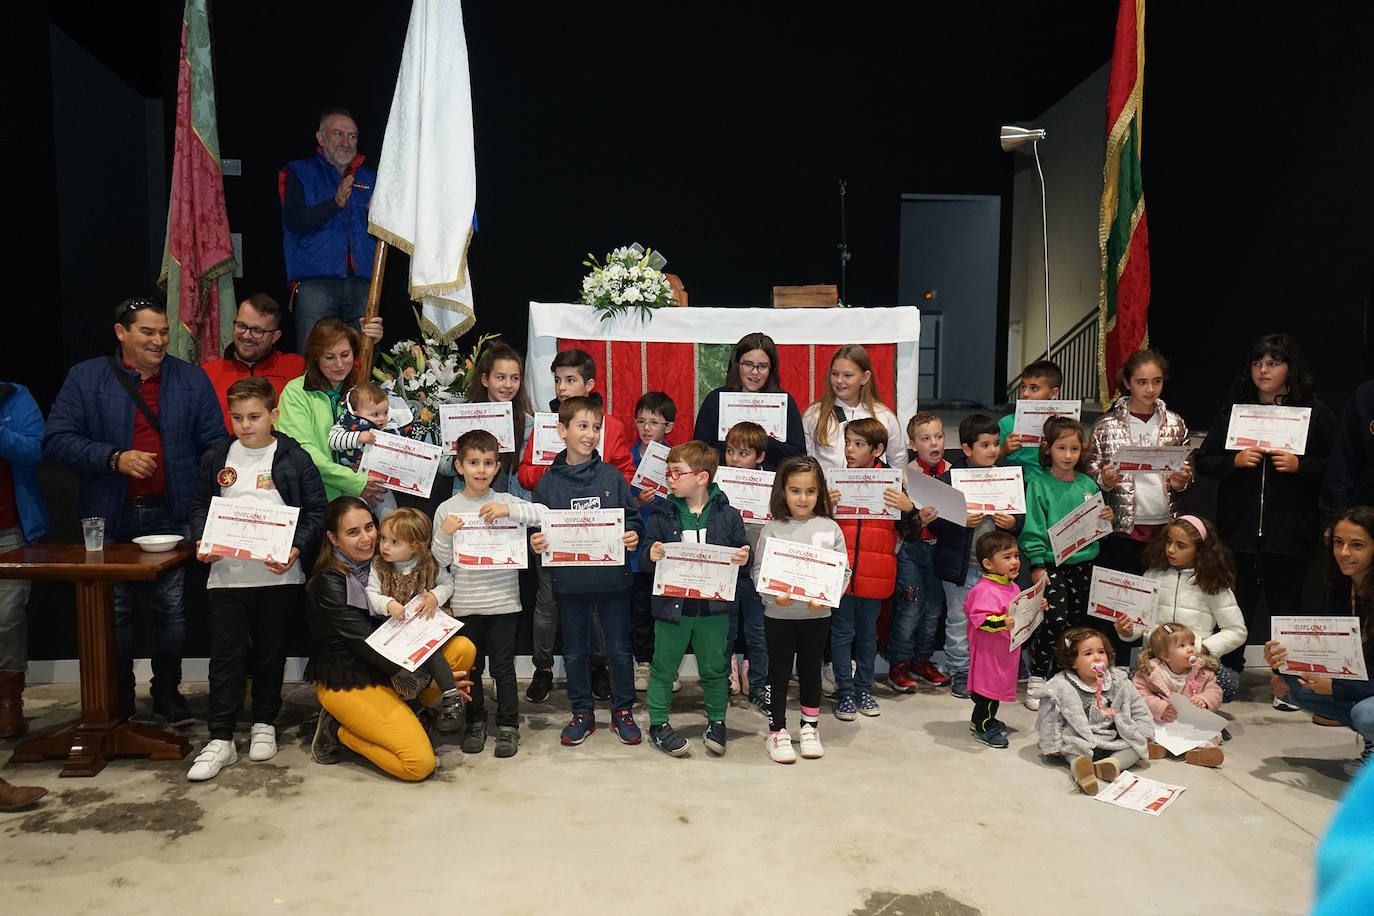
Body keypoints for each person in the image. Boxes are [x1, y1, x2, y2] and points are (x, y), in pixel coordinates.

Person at [44, 297, 225, 723]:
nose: (159, 340)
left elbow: (215, 445)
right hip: (108, 515)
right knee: (116, 611)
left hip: (173, 513)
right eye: (147, 332)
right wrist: (114, 458)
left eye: (163, 332)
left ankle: (167, 693)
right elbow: (55, 441)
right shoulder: (85, 378)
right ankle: (118, 695)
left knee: (173, 611)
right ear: (121, 332)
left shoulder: (191, 379)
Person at [186, 377, 327, 781]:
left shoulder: (294, 457)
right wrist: (202, 539)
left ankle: (265, 723)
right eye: (237, 417)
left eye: (254, 416)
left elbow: (316, 511)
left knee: (270, 653)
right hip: (226, 576)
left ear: (273, 415)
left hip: (278, 577)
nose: (246, 425)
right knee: (226, 658)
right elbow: (199, 505)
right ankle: (221, 737)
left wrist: (295, 548)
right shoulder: (217, 456)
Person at [1195, 334, 1338, 686]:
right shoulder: (1235, 410)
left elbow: (1336, 465)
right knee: (1233, 606)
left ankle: (1287, 682)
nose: (1263, 370)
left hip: (1291, 533)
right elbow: (1204, 460)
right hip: (1237, 533)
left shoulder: (1314, 413)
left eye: (1273, 363)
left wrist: (1299, 465)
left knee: (1287, 608)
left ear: (1290, 369)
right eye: (1258, 363)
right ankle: (1227, 677)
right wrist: (1235, 461)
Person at [305, 496, 476, 782]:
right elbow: (369, 645)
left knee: (462, 648)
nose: (367, 538)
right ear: (333, 539)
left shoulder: (383, 565)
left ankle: (413, 708)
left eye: (369, 527)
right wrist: (430, 679)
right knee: (418, 764)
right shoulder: (330, 582)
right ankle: (340, 729)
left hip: (393, 667)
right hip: (352, 678)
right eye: (352, 532)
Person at [518, 349, 631, 705]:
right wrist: (561, 474)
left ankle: (600, 669)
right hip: (557, 535)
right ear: (563, 429)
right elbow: (526, 475)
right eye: (557, 380)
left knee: (598, 611)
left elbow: (623, 474)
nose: (563, 388)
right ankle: (543, 669)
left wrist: (597, 482)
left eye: (570, 380)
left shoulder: (609, 426)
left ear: (589, 384)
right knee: (548, 603)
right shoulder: (546, 423)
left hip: (600, 538)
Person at [530, 397, 644, 746]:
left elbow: (633, 519)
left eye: (596, 427)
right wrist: (537, 542)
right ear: (561, 431)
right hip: (570, 583)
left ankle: (622, 709)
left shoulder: (612, 476)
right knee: (576, 651)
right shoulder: (548, 484)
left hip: (612, 582)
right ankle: (582, 712)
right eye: (582, 426)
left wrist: (633, 534)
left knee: (619, 650)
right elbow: (537, 530)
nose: (591, 434)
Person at [432, 430, 546, 759]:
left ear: (498, 467)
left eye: (488, 463)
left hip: (504, 603)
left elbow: (543, 514)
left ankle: (509, 724)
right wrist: (445, 532)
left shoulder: (506, 501)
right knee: (471, 670)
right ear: (459, 466)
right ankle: (476, 721)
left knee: (503, 669)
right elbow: (440, 560)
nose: (480, 470)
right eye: (473, 463)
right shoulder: (447, 509)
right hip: (467, 604)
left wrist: (509, 512)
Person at [641, 441, 750, 757]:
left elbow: (743, 550)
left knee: (715, 669)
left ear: (702, 478)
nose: (670, 479)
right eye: (668, 473)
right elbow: (647, 557)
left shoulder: (729, 515)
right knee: (663, 667)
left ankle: (717, 721)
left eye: (677, 473)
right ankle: (659, 724)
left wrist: (744, 557)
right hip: (672, 608)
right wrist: (652, 553)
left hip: (714, 609)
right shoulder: (662, 512)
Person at [1265, 505, 1374, 775]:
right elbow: (1327, 653)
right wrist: (1279, 663)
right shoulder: (1341, 587)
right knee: (1290, 686)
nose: (1344, 553)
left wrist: (1337, 688)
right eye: (1339, 542)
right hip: (1363, 682)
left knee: (1366, 714)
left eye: (1357, 545)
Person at [756, 456, 849, 763]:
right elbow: (759, 572)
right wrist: (773, 596)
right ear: (782, 492)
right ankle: (777, 731)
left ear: (820, 492)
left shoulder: (830, 528)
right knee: (778, 674)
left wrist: (826, 596)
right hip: (779, 618)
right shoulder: (772, 529)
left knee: (811, 674)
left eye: (810, 491)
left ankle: (810, 727)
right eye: (795, 491)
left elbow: (843, 574)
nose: (803, 498)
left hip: (817, 617)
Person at [1019, 416, 1115, 710]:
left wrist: (1106, 517)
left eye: (1074, 449)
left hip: (1085, 565)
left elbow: (1098, 524)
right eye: (1062, 448)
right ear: (1048, 449)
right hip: (1052, 566)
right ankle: (1037, 677)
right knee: (1054, 621)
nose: (1068, 455)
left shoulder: (1087, 483)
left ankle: (1069, 680)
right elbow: (1033, 529)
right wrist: (1037, 564)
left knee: (1078, 624)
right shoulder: (1039, 484)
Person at [928, 414, 1024, 699]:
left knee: (996, 621)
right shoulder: (949, 479)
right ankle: (959, 669)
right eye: (985, 445)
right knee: (959, 621)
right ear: (967, 449)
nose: (993, 450)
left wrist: (1013, 524)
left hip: (996, 574)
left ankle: (986, 670)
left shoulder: (1008, 476)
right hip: (963, 568)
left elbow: (1020, 517)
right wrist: (959, 520)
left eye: (995, 444)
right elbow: (934, 523)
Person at [830, 418, 914, 721]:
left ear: (878, 449)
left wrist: (909, 509)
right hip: (841, 573)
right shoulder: (835, 481)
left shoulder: (893, 483)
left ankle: (863, 687)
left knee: (867, 635)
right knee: (840, 634)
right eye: (848, 443)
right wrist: (823, 506)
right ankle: (845, 692)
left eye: (858, 444)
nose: (850, 450)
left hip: (877, 573)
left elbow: (912, 532)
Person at [1088, 349, 1194, 575]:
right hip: (1122, 528)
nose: (1150, 389)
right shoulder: (1106, 425)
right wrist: (1104, 479)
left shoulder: (1175, 422)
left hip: (1165, 525)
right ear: (1127, 383)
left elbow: (1188, 468)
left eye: (1157, 381)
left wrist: (1181, 480)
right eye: (1142, 382)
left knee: (1159, 597)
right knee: (1125, 599)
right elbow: (1090, 469)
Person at [1120, 516, 1246, 702]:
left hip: (1193, 663)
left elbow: (1237, 631)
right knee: (1126, 687)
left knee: (1229, 685)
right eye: (1169, 542)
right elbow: (1141, 622)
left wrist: (1201, 647)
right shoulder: (1153, 575)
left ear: (1199, 550)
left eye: (1181, 545)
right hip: (1155, 659)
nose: (1171, 549)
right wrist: (1128, 630)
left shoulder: (1212, 583)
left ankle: (1192, 704)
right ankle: (1161, 704)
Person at [279, 109, 378, 347]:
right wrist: (334, 204)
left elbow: (385, 233)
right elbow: (294, 221)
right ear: (321, 138)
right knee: (315, 357)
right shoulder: (299, 172)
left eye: (353, 136)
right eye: (338, 134)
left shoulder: (370, 178)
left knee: (363, 357)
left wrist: (377, 217)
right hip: (316, 285)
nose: (346, 142)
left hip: (362, 283)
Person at [363, 508, 464, 733]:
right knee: (398, 671)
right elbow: (370, 594)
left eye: (395, 542)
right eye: (384, 539)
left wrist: (435, 597)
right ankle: (416, 710)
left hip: (424, 629)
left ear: (416, 546)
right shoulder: (379, 566)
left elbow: (448, 584)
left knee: (432, 654)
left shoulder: (428, 563)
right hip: (395, 632)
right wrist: (388, 604)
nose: (385, 546)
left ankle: (451, 696)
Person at [275, 317, 386, 504]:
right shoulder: (295, 392)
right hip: (313, 498)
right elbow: (304, 452)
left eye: (345, 355)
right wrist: (355, 481)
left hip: (360, 493)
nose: (340, 365)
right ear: (315, 357)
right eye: (329, 357)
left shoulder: (360, 391)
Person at [1036, 627, 1154, 796]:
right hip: (1079, 738)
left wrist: (1144, 732)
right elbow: (1050, 718)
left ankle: (1112, 764)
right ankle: (1082, 770)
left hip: (1111, 738)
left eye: (1101, 651)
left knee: (1137, 748)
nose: (1097, 657)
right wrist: (1052, 744)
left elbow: (1139, 707)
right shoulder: (1061, 686)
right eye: (1088, 653)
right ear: (1073, 661)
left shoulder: (1119, 681)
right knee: (1073, 751)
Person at [0, 381, 50, 738]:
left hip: (9, 529)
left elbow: (35, 450)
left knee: (7, 618)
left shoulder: (13, 396)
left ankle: (9, 702)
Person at [965, 530, 1043, 748]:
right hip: (989, 654)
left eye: (1016, 556)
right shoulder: (984, 590)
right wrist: (1001, 622)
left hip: (1005, 652)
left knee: (995, 689)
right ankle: (983, 725)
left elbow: (1021, 614)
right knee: (987, 690)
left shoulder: (1013, 586)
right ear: (988, 564)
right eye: (1007, 557)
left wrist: (1037, 607)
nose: (1015, 561)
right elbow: (980, 619)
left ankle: (981, 719)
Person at [888, 412, 949, 692]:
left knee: (934, 610)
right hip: (911, 551)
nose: (933, 443)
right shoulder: (905, 476)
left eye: (938, 436)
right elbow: (897, 521)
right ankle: (899, 663)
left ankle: (922, 660)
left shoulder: (952, 471)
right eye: (925, 439)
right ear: (913, 444)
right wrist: (916, 518)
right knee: (910, 608)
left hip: (941, 552)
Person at [692, 332, 806, 470]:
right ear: (737, 364)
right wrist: (734, 448)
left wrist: (762, 441)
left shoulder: (784, 402)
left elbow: (798, 455)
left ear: (771, 370)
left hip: (771, 483)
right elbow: (699, 450)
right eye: (748, 364)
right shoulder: (716, 399)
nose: (755, 372)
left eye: (762, 366)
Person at [201, 294, 306, 433]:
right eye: (241, 326)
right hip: (224, 452)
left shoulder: (297, 368)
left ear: (276, 336)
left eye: (257, 331)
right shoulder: (206, 374)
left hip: (283, 452)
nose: (246, 336)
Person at [722, 421, 771, 712]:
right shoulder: (717, 482)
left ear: (760, 457)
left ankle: (760, 683)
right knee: (724, 630)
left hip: (759, 572)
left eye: (743, 454)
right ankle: (722, 681)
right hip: (726, 569)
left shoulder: (771, 485)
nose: (735, 459)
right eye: (729, 452)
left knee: (758, 631)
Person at [630, 392, 676, 691]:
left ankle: (666, 666)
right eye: (641, 421)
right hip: (636, 554)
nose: (647, 428)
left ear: (668, 427)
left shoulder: (678, 459)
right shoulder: (626, 458)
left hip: (669, 551)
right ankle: (644, 662)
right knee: (640, 610)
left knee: (667, 609)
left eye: (654, 422)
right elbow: (618, 504)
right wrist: (636, 501)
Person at [1133, 623, 1225, 767]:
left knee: (1213, 732)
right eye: (1182, 646)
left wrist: (1204, 700)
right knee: (1142, 726)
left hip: (1190, 721)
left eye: (1192, 643)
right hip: (1162, 718)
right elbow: (1139, 693)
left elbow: (1215, 691)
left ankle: (1200, 752)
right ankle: (1154, 746)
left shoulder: (1202, 672)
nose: (1190, 649)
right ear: (1166, 656)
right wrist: (1159, 707)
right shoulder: (1151, 672)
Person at [803, 344, 906, 471]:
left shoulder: (884, 416)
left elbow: (898, 464)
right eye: (834, 374)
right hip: (827, 490)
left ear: (865, 377)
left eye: (847, 375)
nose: (839, 381)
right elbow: (803, 462)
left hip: (874, 490)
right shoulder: (814, 414)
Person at [327, 382, 414, 520]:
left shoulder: (390, 429)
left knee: (392, 519)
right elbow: (333, 441)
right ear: (356, 413)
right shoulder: (346, 424)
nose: (381, 418)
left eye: (385, 412)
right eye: (375, 414)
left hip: (380, 484)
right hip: (353, 482)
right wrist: (359, 437)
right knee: (354, 519)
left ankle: (390, 539)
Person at [998, 359, 1063, 485]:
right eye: (1023, 387)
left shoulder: (1064, 425)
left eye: (1034, 388)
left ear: (1053, 393)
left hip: (1053, 484)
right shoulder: (1006, 423)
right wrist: (1003, 451)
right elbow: (987, 460)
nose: (1025, 393)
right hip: (1016, 484)